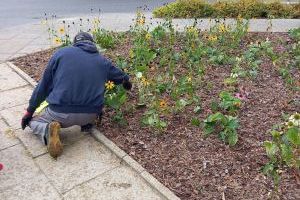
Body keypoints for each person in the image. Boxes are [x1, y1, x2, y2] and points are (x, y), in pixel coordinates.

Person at [21, 32, 132, 158]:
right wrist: (127, 82)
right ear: (92, 44)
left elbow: (43, 87)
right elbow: (122, 78)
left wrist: (30, 112)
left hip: (60, 114)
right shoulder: (102, 61)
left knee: (33, 121)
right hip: (90, 115)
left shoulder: (61, 53)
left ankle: (46, 130)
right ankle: (85, 125)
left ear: (75, 44)